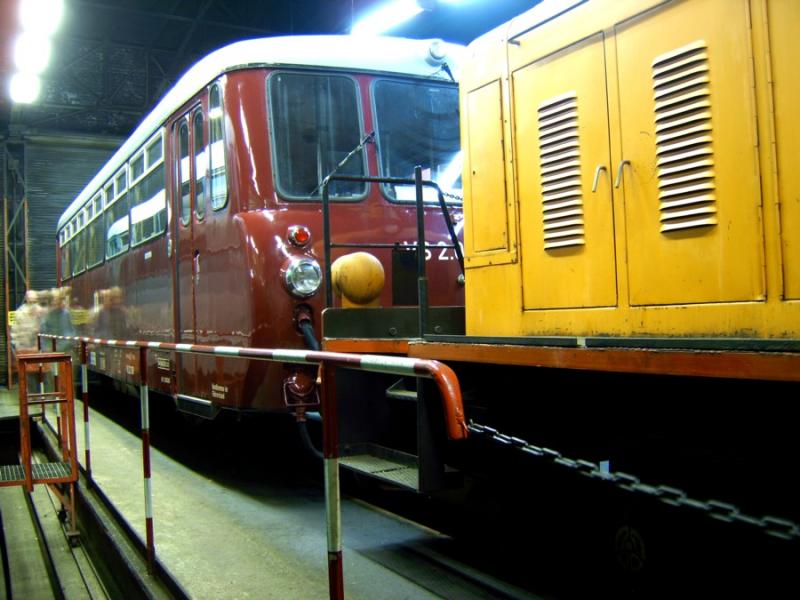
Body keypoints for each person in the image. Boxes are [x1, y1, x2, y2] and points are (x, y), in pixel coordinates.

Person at [10, 289, 46, 355]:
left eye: (35, 301)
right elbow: (14, 331)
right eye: (31, 300)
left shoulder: (41, 311)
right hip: (23, 347)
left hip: (38, 347)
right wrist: (17, 345)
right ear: (26, 299)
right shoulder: (19, 312)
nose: (33, 303)